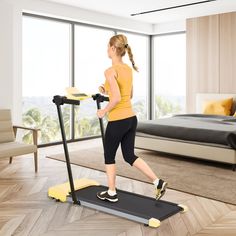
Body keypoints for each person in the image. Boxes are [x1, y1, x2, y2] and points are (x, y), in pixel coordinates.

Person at [96, 34, 167, 203]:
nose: (107, 49)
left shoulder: (110, 70)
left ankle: (111, 193)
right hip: (131, 119)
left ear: (113, 49)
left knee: (109, 156)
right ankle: (157, 182)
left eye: (108, 47)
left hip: (118, 120)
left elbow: (117, 98)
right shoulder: (127, 69)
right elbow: (129, 94)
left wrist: (104, 110)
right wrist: (105, 89)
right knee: (129, 155)